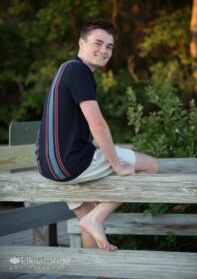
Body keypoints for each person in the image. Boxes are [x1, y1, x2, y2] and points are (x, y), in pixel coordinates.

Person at [35, 19, 159, 253]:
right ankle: (96, 219)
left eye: (109, 47)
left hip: (49, 165)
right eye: (98, 43)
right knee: (150, 166)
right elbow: (97, 124)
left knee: (88, 212)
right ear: (81, 43)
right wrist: (117, 166)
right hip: (69, 162)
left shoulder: (66, 68)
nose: (104, 50)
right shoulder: (79, 71)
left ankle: (94, 241)